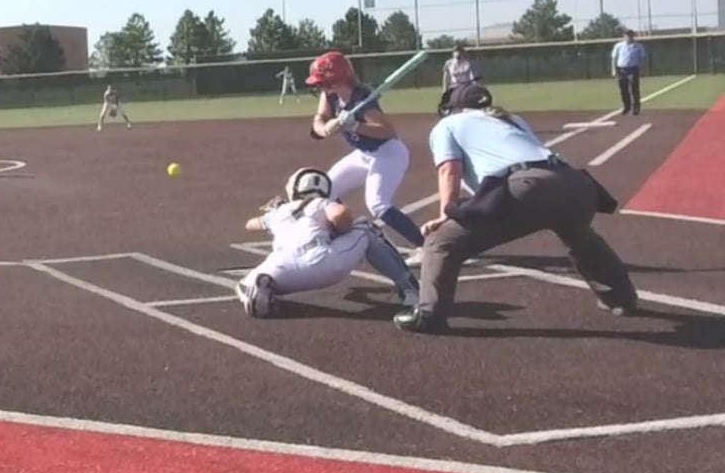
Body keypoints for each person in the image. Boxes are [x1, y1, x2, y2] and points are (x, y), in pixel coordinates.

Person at [393, 82, 636, 333]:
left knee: (441, 241)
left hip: (529, 186)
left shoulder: (448, 125)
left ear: (453, 108)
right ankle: (621, 298)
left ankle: (429, 315)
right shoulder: (510, 118)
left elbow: (448, 169)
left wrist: (446, 212)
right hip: (576, 183)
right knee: (579, 236)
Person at [237, 166, 419, 318]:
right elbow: (341, 214)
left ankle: (255, 292)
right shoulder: (320, 203)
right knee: (368, 230)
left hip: (281, 269)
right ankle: (410, 290)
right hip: (322, 263)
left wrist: (274, 214)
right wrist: (341, 232)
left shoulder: (280, 211)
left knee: (247, 282)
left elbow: (250, 225)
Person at [305, 50, 426, 255]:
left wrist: (354, 126)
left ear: (336, 79)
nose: (320, 87)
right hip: (363, 154)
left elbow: (386, 131)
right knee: (326, 190)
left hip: (388, 153)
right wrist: (325, 128)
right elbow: (319, 119)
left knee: (377, 203)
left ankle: (425, 246)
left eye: (323, 82)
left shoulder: (362, 99)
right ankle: (344, 235)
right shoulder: (330, 95)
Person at [435, 47, 478, 117]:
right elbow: (446, 78)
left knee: (466, 105)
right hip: (453, 87)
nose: (458, 56)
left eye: (460, 53)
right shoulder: (449, 63)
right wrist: (444, 89)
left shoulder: (468, 63)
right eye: (455, 53)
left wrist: (474, 87)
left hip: (465, 87)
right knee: (451, 105)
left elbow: (472, 77)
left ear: (463, 54)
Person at [611, 30, 645, 115]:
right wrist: (614, 70)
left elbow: (642, 58)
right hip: (621, 70)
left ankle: (636, 108)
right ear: (624, 37)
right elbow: (614, 58)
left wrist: (641, 68)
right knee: (623, 89)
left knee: (634, 89)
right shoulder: (618, 46)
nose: (629, 38)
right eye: (627, 36)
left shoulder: (638, 46)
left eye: (630, 36)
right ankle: (626, 107)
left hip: (633, 69)